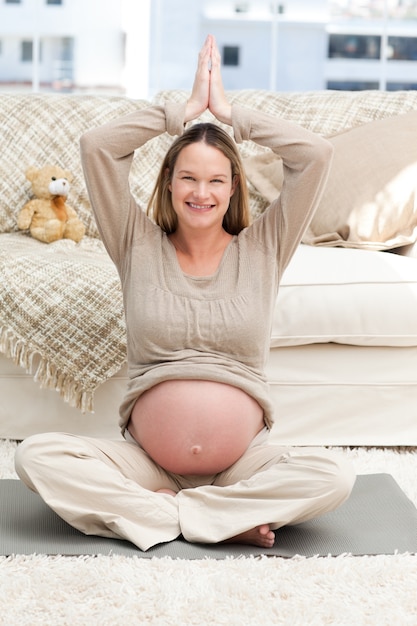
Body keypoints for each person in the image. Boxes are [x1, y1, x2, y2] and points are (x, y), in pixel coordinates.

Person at [15, 35, 355, 551]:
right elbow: (96, 148)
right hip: (147, 465)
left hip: (243, 465)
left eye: (216, 180)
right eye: (188, 178)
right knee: (34, 457)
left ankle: (165, 517)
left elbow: (316, 155)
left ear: (233, 188)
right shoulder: (135, 243)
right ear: (169, 183)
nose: (202, 193)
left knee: (335, 475)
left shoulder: (264, 248)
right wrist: (181, 112)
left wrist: (230, 113)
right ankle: (214, 520)